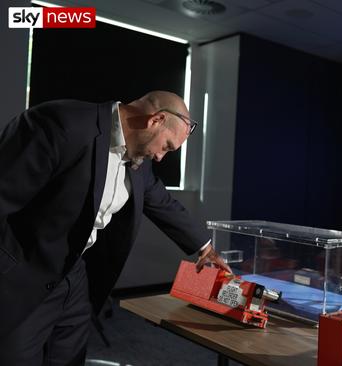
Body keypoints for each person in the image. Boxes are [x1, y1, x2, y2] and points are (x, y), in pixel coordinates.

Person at [0, 91, 231, 365]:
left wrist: (205, 248)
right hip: (24, 272)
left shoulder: (139, 159)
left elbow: (160, 200)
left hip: (74, 276)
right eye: (167, 147)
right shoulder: (60, 124)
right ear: (155, 120)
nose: (160, 157)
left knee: (68, 356)